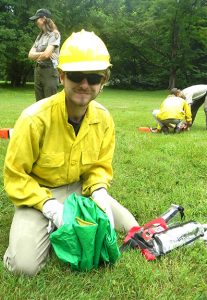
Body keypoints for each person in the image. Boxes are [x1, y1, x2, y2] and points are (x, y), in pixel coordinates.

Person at [3, 29, 139, 276]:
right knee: (24, 267)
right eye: (76, 75)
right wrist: (49, 207)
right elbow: (15, 177)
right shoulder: (34, 119)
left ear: (104, 80)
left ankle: (74, 217)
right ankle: (47, 223)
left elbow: (99, 167)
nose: (85, 85)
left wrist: (98, 192)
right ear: (62, 76)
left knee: (133, 230)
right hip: (39, 195)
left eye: (94, 77)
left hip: (80, 189)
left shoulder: (104, 119)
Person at [28, 8, 61, 101]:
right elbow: (30, 55)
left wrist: (41, 54)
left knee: (50, 103)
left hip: (49, 72)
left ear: (43, 18)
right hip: (38, 71)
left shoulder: (54, 34)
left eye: (37, 19)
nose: (35, 22)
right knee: (39, 105)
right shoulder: (40, 36)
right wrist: (43, 53)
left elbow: (47, 55)